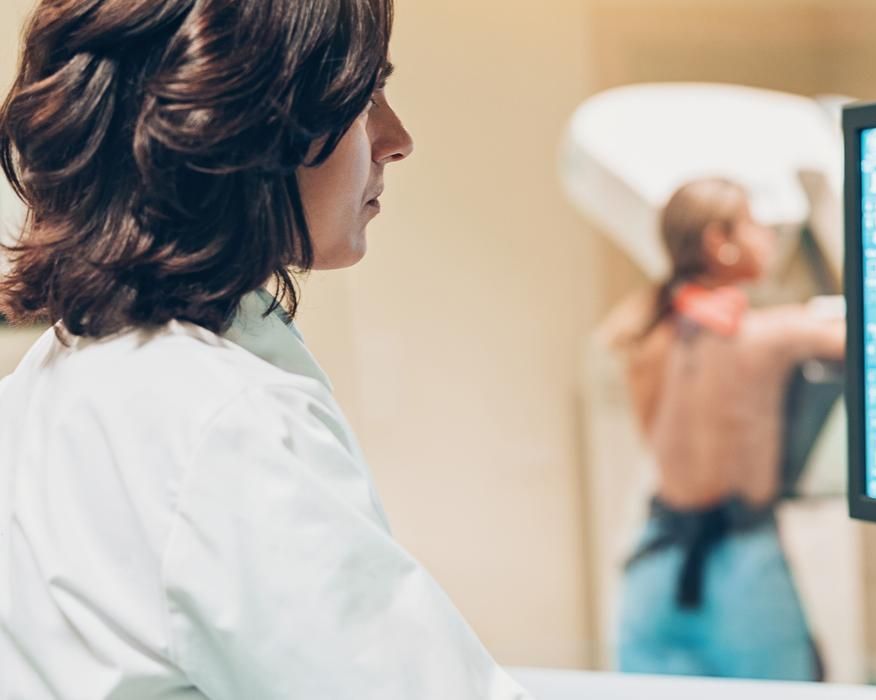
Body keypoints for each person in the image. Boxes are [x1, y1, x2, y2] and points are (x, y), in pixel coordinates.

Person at [0, 1, 529, 698]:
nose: (396, 139)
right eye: (365, 96)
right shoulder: (222, 421)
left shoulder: (51, 382)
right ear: (239, 121)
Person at [615, 177, 846, 680]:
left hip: (655, 559)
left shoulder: (640, 331)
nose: (768, 235)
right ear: (721, 244)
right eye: (755, 223)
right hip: (740, 566)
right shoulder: (767, 336)